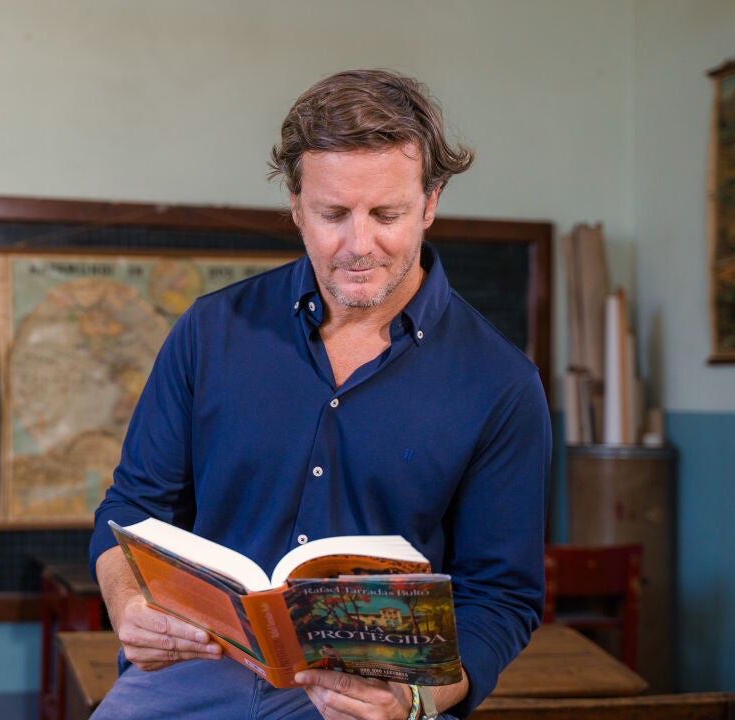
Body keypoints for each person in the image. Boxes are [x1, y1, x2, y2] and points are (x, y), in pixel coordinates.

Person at [88, 68, 551, 720]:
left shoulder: (501, 383)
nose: (359, 246)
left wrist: (413, 701)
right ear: (296, 205)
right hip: (197, 669)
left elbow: (500, 597)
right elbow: (134, 508)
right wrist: (128, 604)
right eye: (333, 214)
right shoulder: (210, 330)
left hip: (372, 690)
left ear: (430, 203)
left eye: (386, 214)